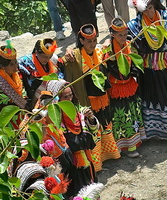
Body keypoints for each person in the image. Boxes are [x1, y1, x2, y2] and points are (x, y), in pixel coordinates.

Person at [128, 0, 167, 144]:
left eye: (151, 8)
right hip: (147, 68)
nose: (149, 12)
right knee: (150, 97)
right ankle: (151, 132)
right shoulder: (136, 25)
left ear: (156, 6)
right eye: (145, 9)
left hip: (165, 65)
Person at [62, 24, 119, 171]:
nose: (92, 44)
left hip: (102, 97)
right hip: (87, 99)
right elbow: (63, 63)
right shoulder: (75, 56)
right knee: (93, 130)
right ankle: (97, 163)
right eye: (89, 41)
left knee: (105, 125)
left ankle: (110, 155)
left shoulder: (99, 51)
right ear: (81, 41)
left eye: (94, 40)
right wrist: (68, 51)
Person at [105, 19, 145, 157]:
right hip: (117, 88)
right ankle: (126, 147)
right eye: (120, 35)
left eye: (125, 34)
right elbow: (112, 69)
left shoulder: (129, 45)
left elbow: (134, 63)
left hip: (129, 85)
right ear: (112, 34)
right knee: (122, 117)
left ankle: (136, 142)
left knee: (132, 114)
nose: (123, 37)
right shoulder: (108, 51)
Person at [18, 39, 63, 106]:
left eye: (49, 57)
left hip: (49, 95)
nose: (47, 60)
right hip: (31, 95)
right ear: (37, 52)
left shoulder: (52, 62)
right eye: (44, 57)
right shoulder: (25, 62)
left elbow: (59, 75)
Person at [0, 43, 27, 110]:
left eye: (15, 62)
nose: (15, 66)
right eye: (11, 64)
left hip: (22, 111)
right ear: (2, 66)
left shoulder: (18, 74)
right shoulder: (1, 82)